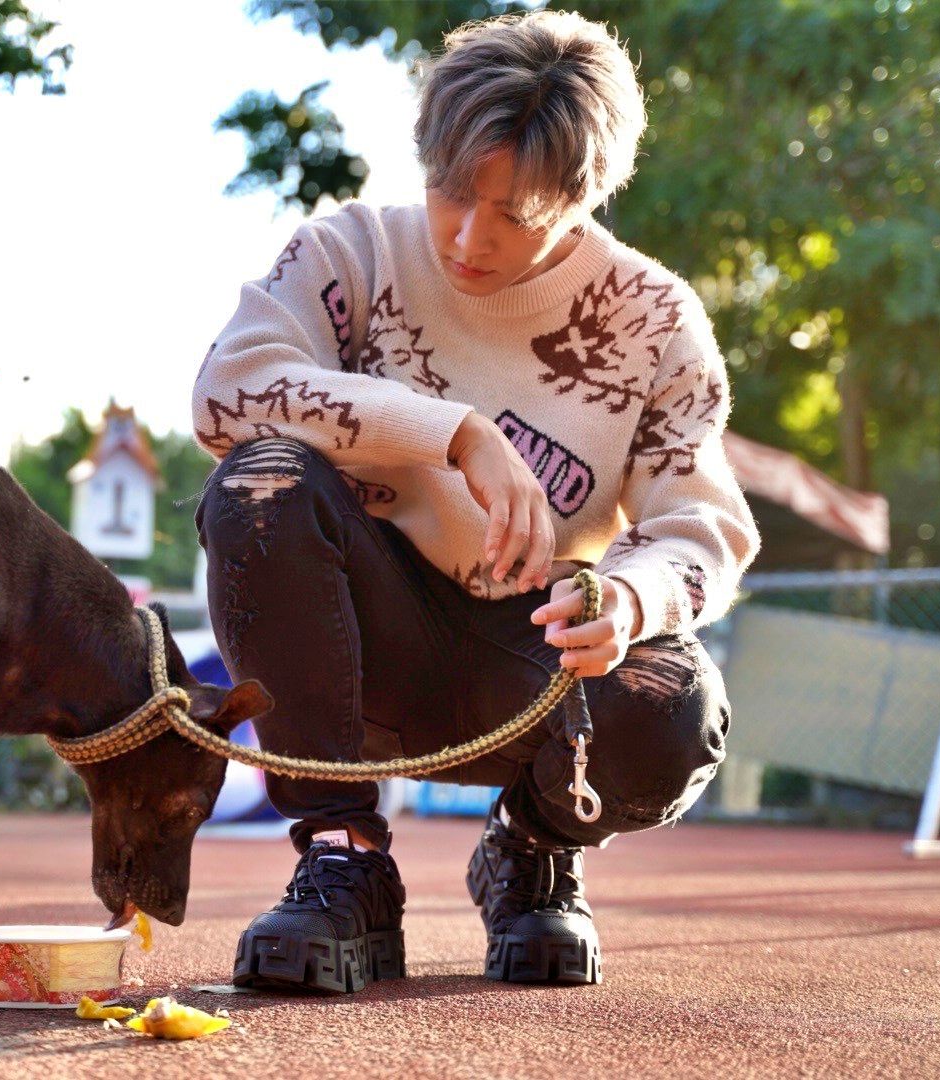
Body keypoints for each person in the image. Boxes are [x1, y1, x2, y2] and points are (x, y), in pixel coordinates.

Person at [192, 10, 758, 992]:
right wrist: (452, 431)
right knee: (260, 481)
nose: (466, 235)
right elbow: (225, 391)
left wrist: (624, 601)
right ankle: (342, 856)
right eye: (453, 191)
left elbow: (698, 527)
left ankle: (531, 849)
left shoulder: (655, 319)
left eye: (515, 212)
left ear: (580, 200)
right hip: (353, 644)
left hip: (531, 659)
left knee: (677, 711)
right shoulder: (351, 252)